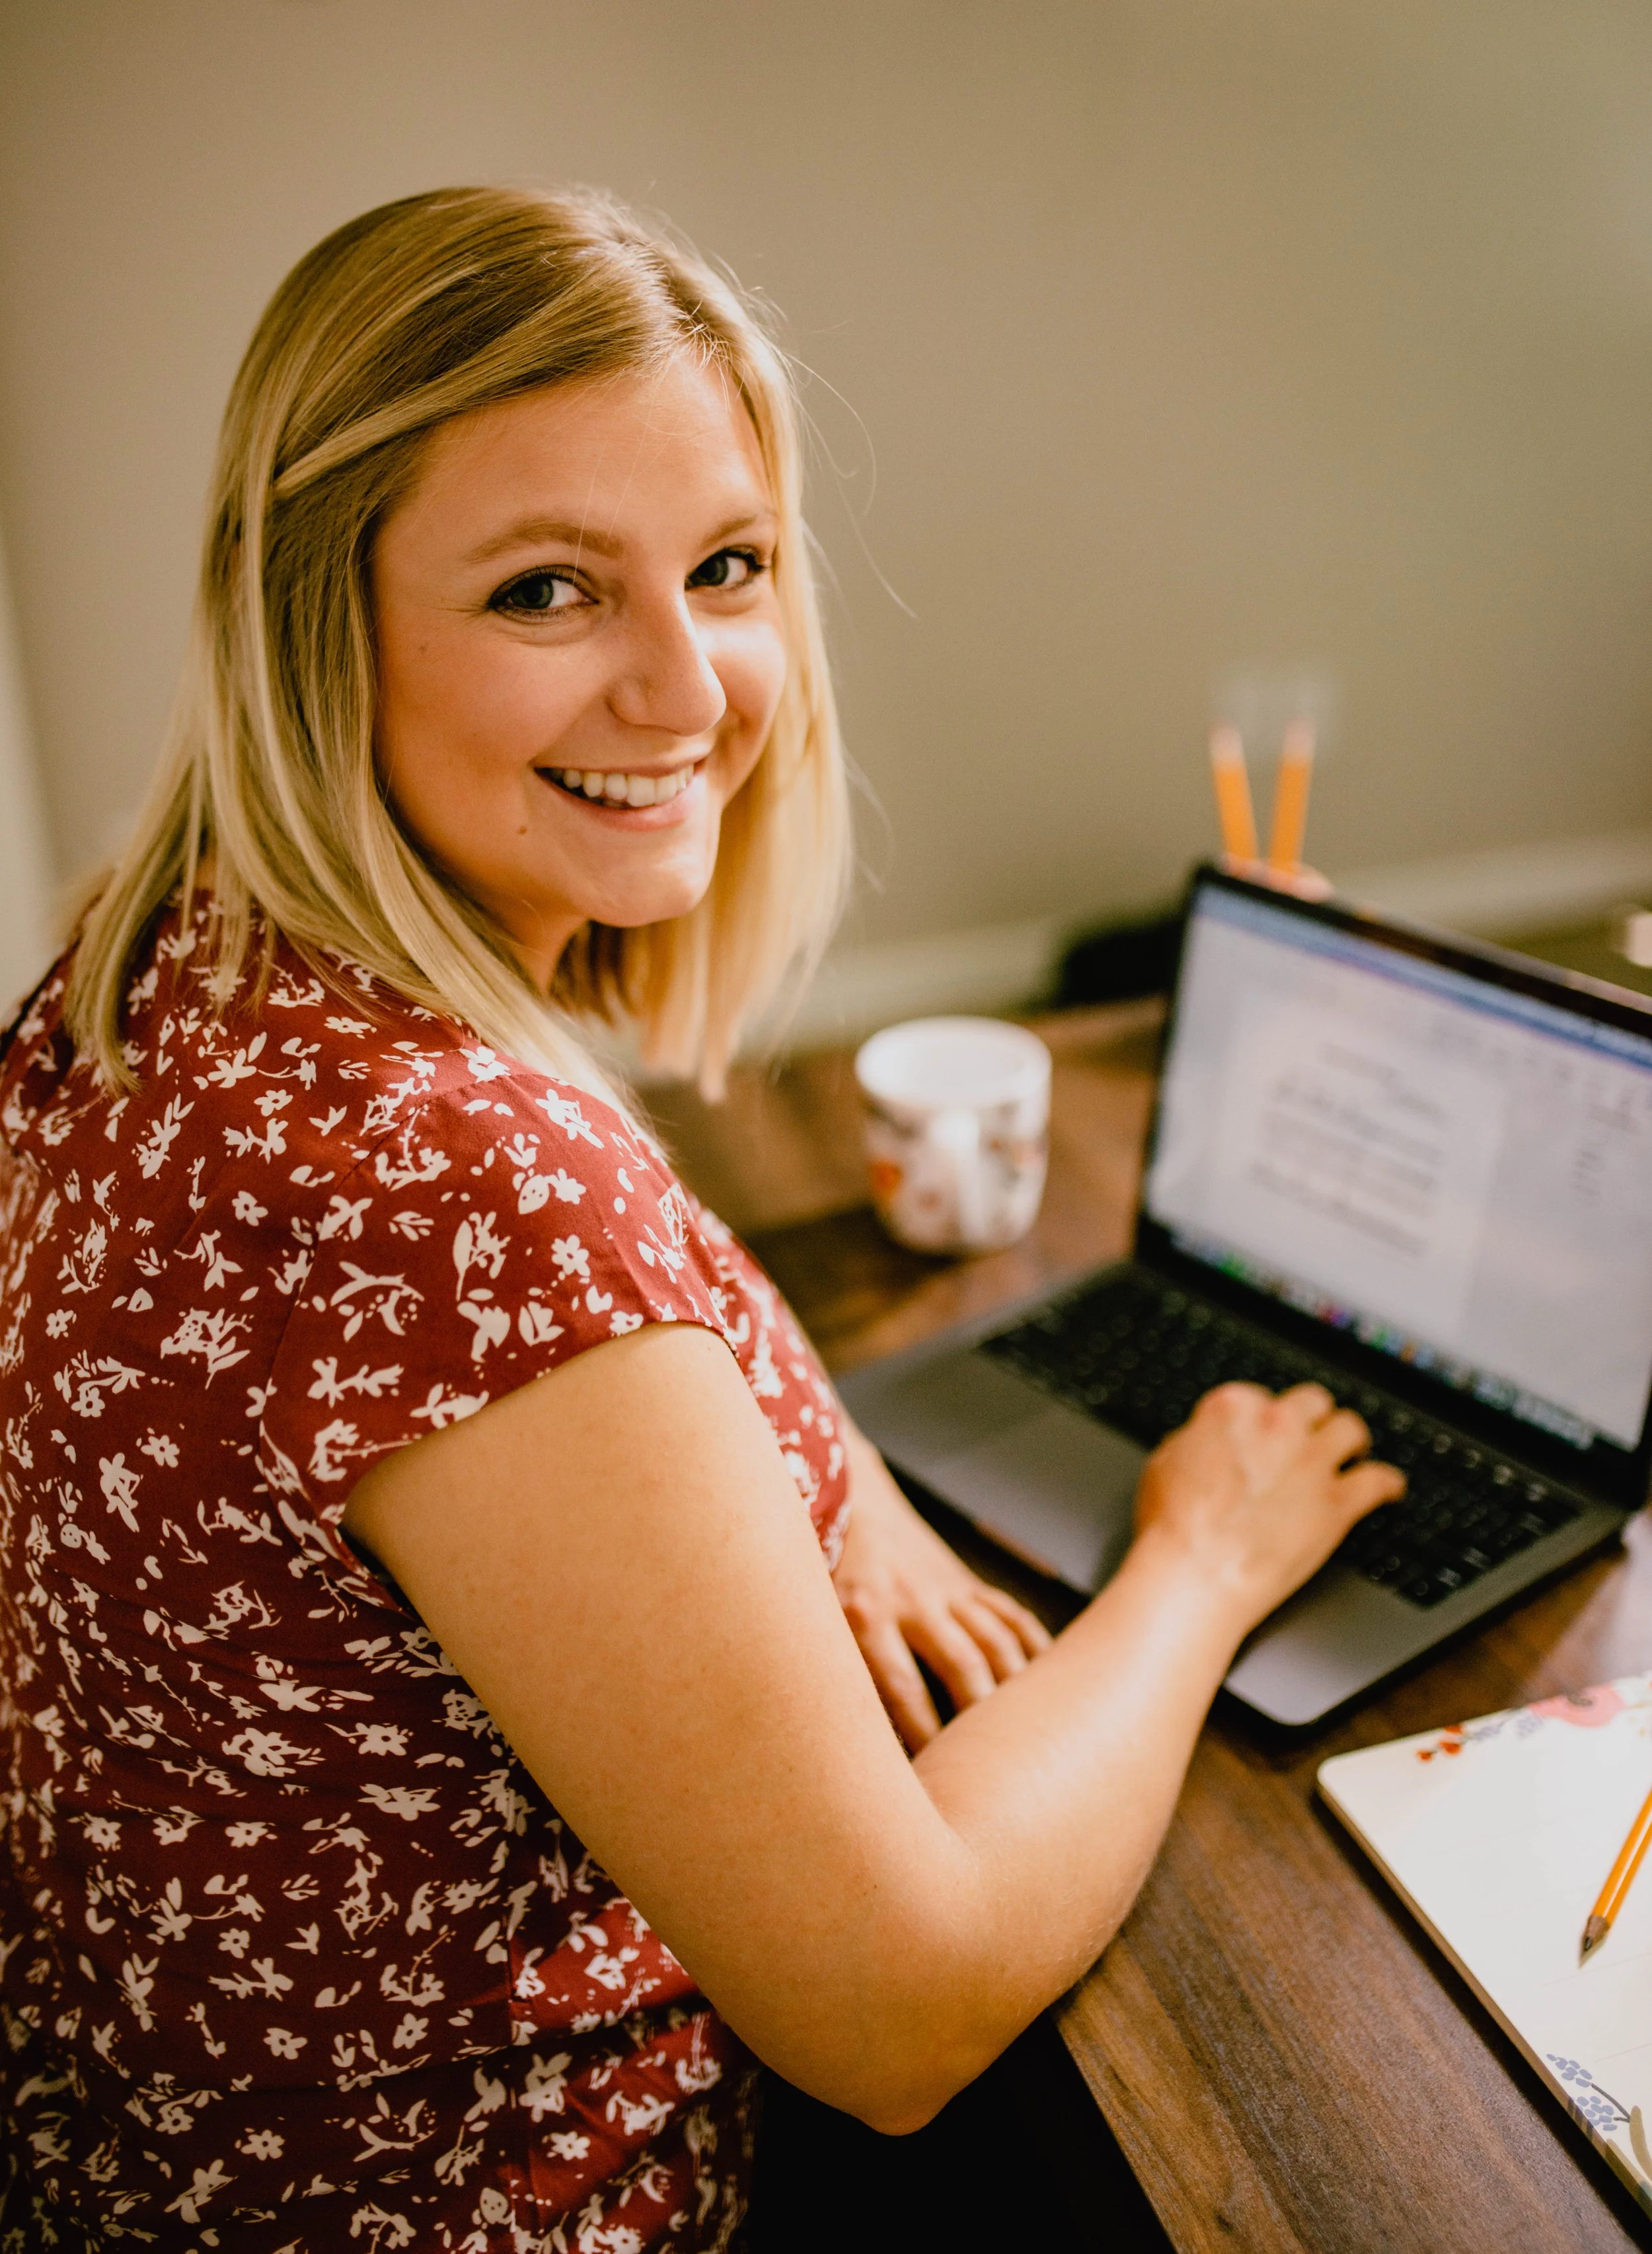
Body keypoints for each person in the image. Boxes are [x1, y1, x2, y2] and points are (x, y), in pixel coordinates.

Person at [0, 186, 1402, 2252]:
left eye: (728, 566)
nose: (685, 689)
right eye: (548, 591)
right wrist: (1203, 1562)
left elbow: (621, 1233)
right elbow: (894, 2006)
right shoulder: (449, 1191)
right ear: (321, 617)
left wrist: (833, 1484)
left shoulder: (166, 965)